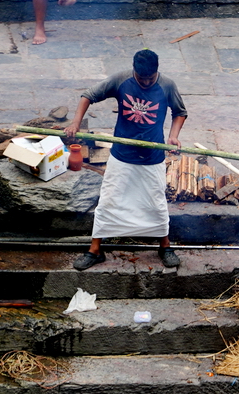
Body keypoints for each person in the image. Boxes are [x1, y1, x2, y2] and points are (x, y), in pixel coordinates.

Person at [64, 49, 187, 271]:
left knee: (156, 203)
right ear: (134, 71)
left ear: (157, 71)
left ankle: (165, 247)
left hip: (152, 157)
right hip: (121, 154)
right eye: (142, 78)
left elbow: (180, 112)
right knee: (109, 200)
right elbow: (88, 95)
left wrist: (174, 136)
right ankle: (95, 250)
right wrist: (75, 123)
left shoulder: (167, 85)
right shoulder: (121, 80)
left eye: (150, 78)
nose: (147, 82)